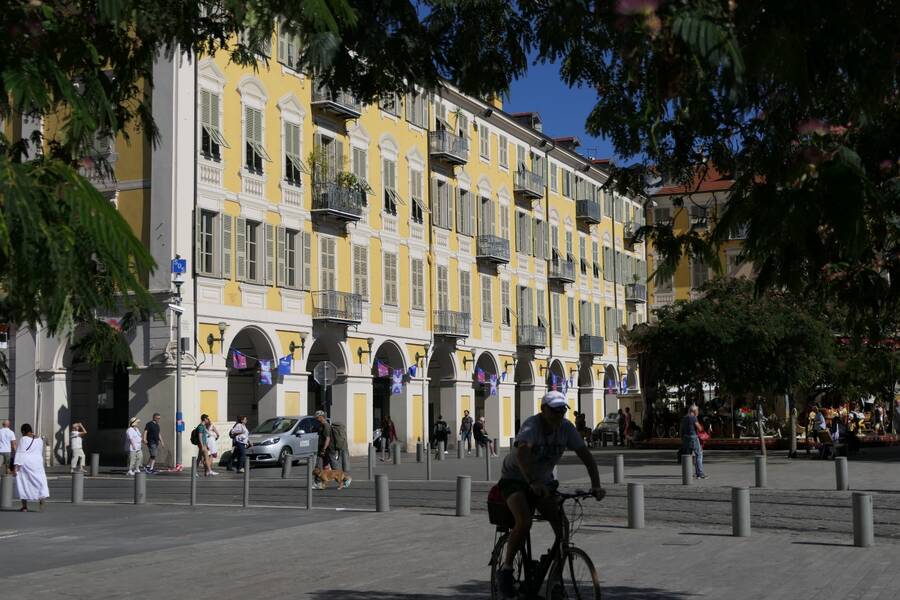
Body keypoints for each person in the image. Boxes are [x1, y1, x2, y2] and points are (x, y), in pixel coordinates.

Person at [495, 391, 604, 597]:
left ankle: (554, 578)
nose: (559, 415)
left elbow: (586, 456)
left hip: (543, 482)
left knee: (563, 527)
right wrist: (532, 481)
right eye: (554, 410)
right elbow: (522, 453)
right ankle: (507, 569)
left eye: (562, 410)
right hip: (515, 478)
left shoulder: (566, 428)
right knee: (524, 521)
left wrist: (596, 485)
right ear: (543, 409)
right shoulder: (532, 426)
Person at [11, 423, 49, 511]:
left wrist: (15, 467)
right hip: (38, 463)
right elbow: (39, 451)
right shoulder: (39, 440)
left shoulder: (23, 439)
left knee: (23, 482)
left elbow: (20, 453)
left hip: (26, 463)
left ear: (24, 431)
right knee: (39, 481)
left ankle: (24, 507)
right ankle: (41, 497)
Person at [680, 405, 707, 479]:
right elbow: (699, 428)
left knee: (688, 456)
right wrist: (701, 427)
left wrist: (682, 438)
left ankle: (688, 473)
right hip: (693, 437)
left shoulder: (684, 418)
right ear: (694, 411)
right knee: (699, 454)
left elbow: (681, 429)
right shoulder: (693, 417)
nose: (698, 412)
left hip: (686, 438)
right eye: (697, 411)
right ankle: (699, 473)